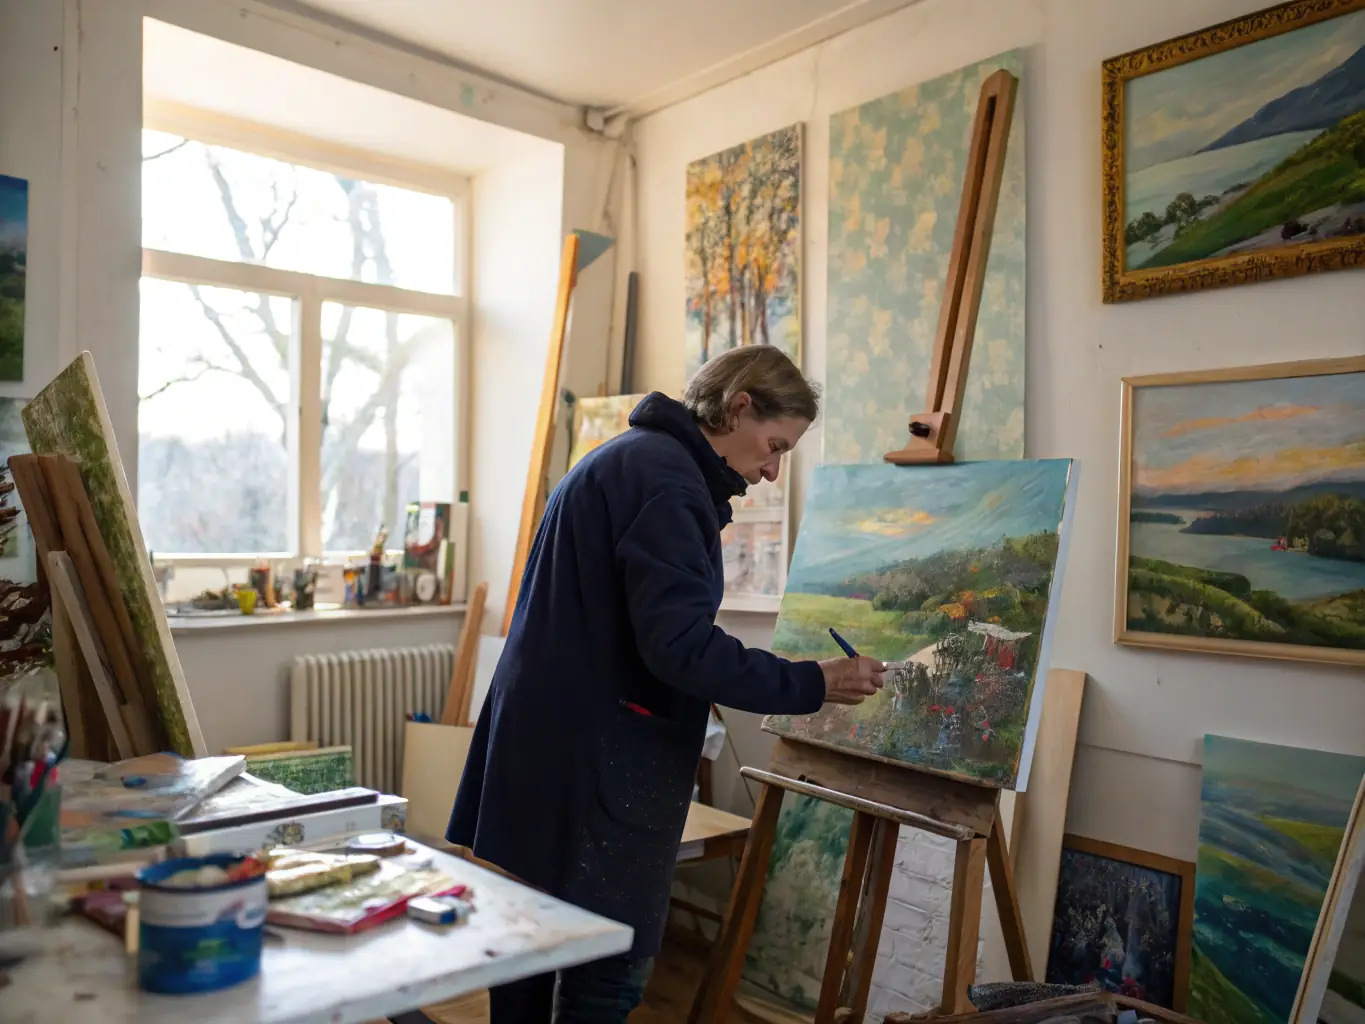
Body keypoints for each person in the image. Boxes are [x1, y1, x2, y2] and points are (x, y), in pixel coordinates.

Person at [447, 346, 886, 1023]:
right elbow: (680, 648)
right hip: (594, 756)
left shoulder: (628, 458)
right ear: (738, 406)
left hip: (550, 742)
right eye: (774, 446)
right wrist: (810, 682)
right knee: (608, 967)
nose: (772, 471)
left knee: (529, 946)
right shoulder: (668, 483)